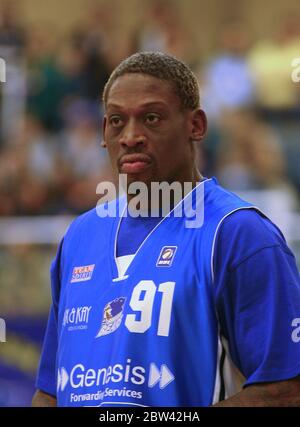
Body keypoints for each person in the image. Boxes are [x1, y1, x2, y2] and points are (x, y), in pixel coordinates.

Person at [32, 52, 300, 407]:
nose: (130, 136)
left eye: (151, 118)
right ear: (103, 133)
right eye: (116, 121)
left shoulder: (238, 234)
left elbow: (285, 391)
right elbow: (49, 393)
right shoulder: (79, 237)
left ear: (197, 126)